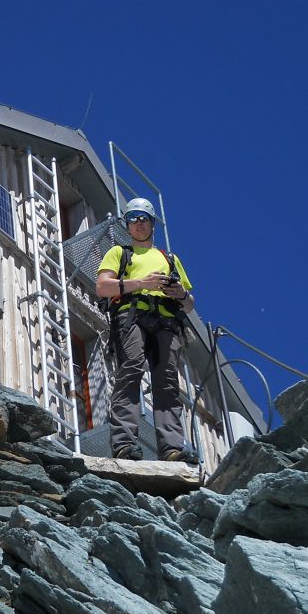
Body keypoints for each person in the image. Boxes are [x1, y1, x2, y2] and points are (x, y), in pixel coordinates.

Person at [95, 198, 198, 464]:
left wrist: (180, 293)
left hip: (166, 321)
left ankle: (173, 447)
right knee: (130, 370)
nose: (138, 223)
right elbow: (103, 287)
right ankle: (124, 444)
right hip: (131, 316)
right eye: (133, 218)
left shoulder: (170, 259)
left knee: (167, 382)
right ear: (127, 224)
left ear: (152, 222)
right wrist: (142, 282)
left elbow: (188, 305)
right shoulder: (119, 253)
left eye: (143, 218)